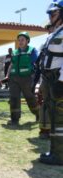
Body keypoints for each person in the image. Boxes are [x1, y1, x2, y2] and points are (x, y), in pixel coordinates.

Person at [39, 0, 63, 165]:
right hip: (49, 80)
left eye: (53, 13)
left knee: (60, 118)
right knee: (54, 117)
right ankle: (55, 151)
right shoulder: (55, 33)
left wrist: (61, 82)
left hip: (58, 81)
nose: (50, 17)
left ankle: (60, 155)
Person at [5, 32, 39, 126]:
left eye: (22, 40)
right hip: (14, 78)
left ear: (27, 41)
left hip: (27, 78)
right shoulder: (15, 52)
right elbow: (11, 65)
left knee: (30, 98)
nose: (20, 42)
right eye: (19, 40)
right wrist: (7, 76)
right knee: (14, 98)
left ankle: (38, 114)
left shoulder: (32, 50)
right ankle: (14, 119)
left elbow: (37, 63)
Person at [36, 23, 55, 139]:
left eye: (51, 29)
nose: (50, 31)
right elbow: (39, 64)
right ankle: (44, 130)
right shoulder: (45, 44)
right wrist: (37, 82)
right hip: (45, 78)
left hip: (58, 77)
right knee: (44, 104)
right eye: (49, 30)